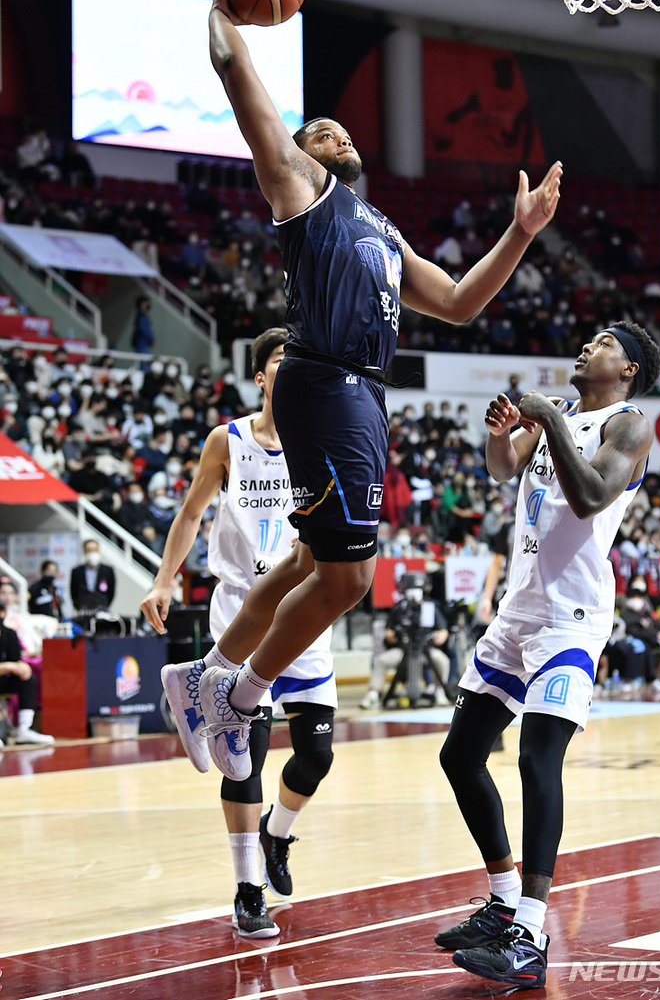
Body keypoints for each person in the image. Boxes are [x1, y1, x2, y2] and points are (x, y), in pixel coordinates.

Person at [156, 0, 562, 786]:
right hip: (326, 379)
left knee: (312, 565)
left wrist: (518, 235)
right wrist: (223, 13)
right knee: (349, 579)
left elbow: (453, 303)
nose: (335, 129)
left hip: (360, 393)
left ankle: (203, 674)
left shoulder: (377, 222)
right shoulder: (300, 190)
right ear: (300, 155)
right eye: (320, 127)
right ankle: (238, 698)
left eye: (340, 127)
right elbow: (240, 83)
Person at [437, 321, 660, 989]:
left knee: (538, 759)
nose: (585, 347)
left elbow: (591, 495)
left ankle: (529, 934)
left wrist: (543, 419)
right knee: (459, 753)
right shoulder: (561, 414)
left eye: (601, 343)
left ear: (626, 369)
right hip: (518, 611)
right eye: (588, 339)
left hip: (571, 619)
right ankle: (503, 897)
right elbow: (502, 468)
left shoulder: (628, 425)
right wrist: (501, 430)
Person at [141, 328, 337, 938]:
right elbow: (192, 511)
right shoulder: (227, 440)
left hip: (304, 610)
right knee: (243, 758)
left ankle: (276, 835)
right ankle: (247, 887)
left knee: (317, 754)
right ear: (260, 376)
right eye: (282, 361)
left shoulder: (321, 436)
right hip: (240, 609)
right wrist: (165, 580)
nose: (292, 370)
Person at [360, 571, 451, 709]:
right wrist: (391, 635)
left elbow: (443, 630)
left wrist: (440, 635)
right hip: (402, 649)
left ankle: (440, 691)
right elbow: (388, 631)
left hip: (425, 650)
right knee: (382, 660)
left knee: (442, 660)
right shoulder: (399, 607)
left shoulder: (431, 607)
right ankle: (373, 693)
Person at [0, 599, 55, 746]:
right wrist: (9, 666)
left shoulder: (9, 634)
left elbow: (16, 661)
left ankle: (24, 729)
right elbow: (11, 665)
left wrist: (22, 667)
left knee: (28, 679)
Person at [70, 540, 116, 613]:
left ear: (98, 551)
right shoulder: (77, 571)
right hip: (83, 609)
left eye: (94, 550)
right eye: (89, 550)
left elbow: (111, 591)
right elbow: (74, 591)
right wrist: (78, 606)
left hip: (102, 608)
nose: (92, 553)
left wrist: (105, 605)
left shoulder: (107, 570)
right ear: (84, 552)